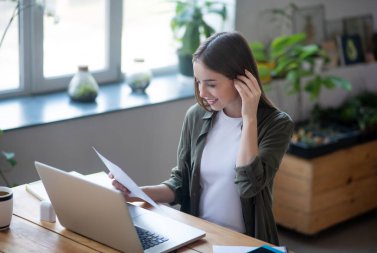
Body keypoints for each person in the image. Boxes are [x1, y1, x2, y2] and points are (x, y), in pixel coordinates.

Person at [110, 31, 294, 245]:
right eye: (198, 82)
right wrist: (137, 193)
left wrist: (249, 117)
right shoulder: (196, 116)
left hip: (244, 243)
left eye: (211, 84)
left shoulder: (276, 125)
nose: (202, 92)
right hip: (199, 237)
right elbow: (181, 182)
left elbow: (248, 186)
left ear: (242, 79)